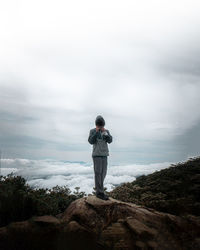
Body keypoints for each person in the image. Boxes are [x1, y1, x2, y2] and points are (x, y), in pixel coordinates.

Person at [88, 115, 113, 200]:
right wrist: (96, 132)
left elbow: (110, 141)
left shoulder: (106, 131)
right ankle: (99, 192)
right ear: (96, 125)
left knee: (103, 173)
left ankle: (100, 190)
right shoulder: (92, 131)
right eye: (99, 125)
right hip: (96, 155)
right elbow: (90, 141)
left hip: (105, 154)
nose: (100, 127)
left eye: (101, 125)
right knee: (98, 173)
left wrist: (105, 133)